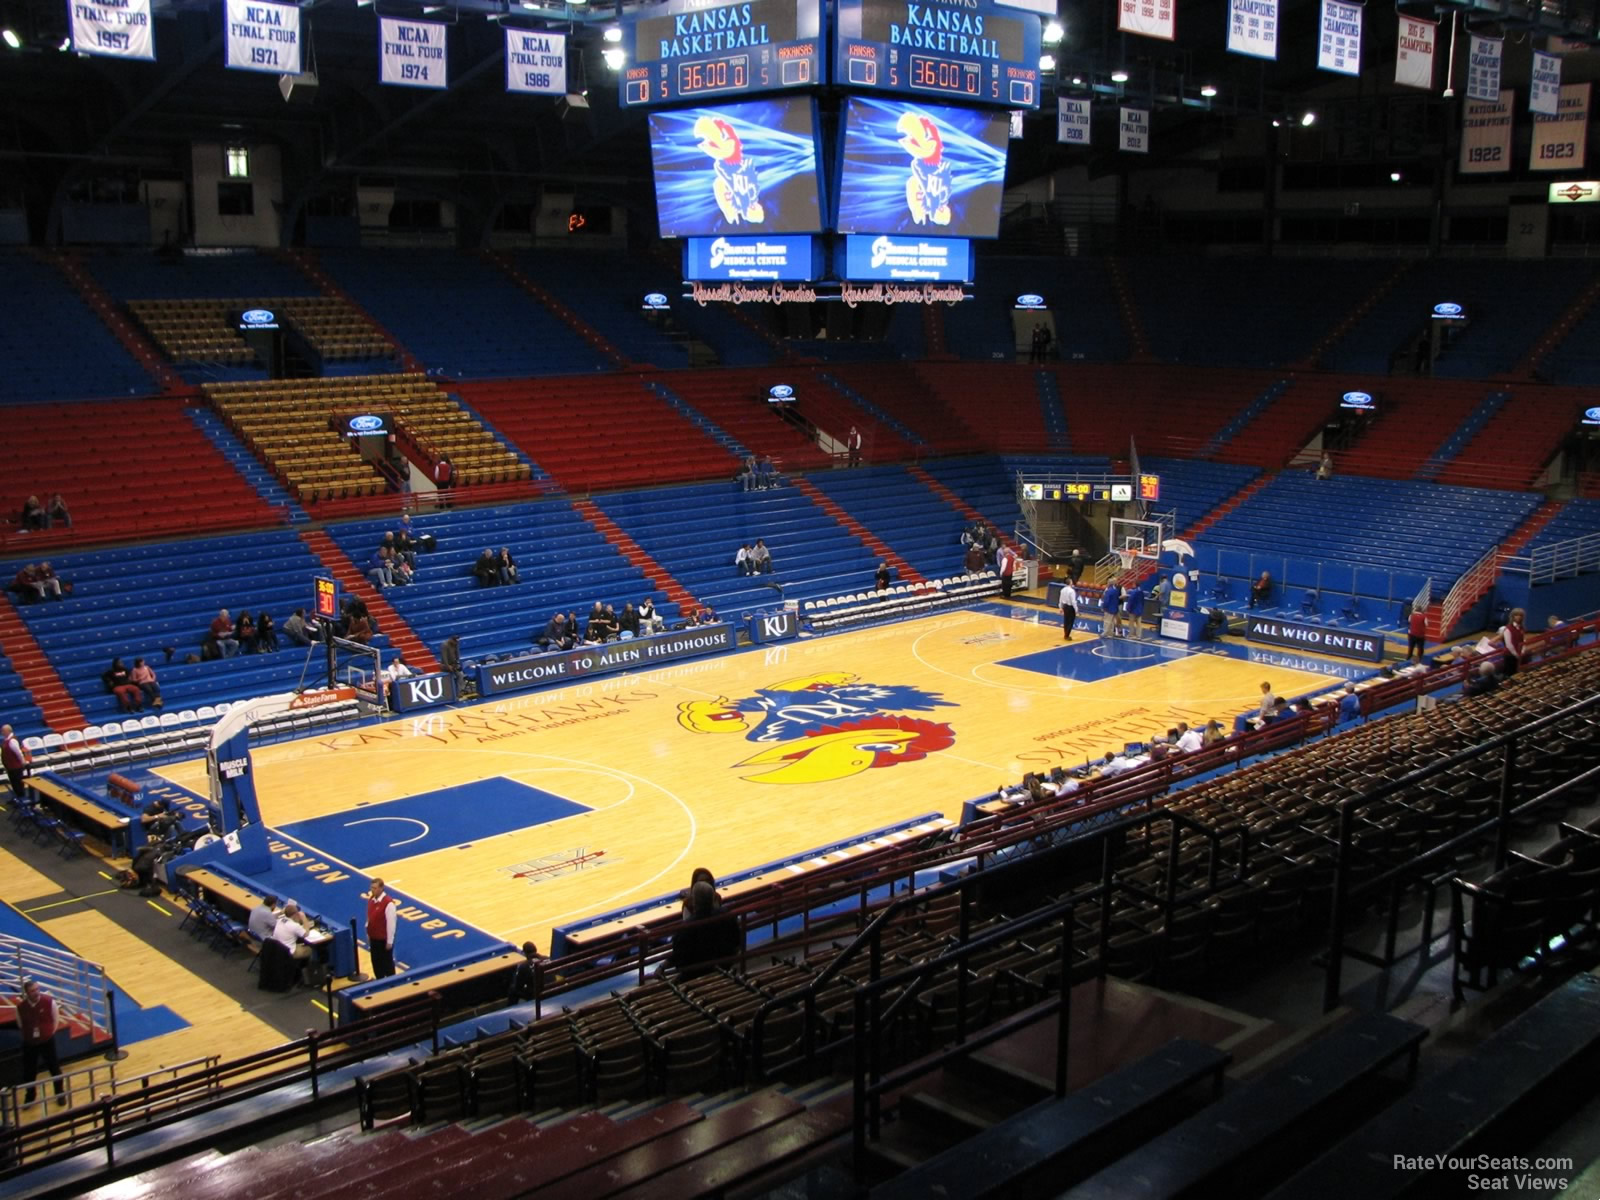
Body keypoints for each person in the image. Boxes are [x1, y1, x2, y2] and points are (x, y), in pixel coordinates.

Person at [668, 881, 741, 979]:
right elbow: (737, 941)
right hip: (725, 966)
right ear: (712, 899)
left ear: (694, 902)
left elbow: (679, 960)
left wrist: (663, 966)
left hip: (694, 975)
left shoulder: (685, 928)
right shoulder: (727, 915)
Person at [16, 980, 65, 1107]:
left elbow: (56, 1020)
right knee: (29, 1072)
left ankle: (60, 1094)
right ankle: (30, 1097)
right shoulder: (21, 1007)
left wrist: (47, 1034)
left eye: (37, 989)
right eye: (33, 990)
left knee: (54, 1068)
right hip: (30, 1043)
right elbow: (20, 1024)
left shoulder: (49, 1002)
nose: (36, 992)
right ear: (26, 993)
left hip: (47, 1041)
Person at [365, 878, 399, 979]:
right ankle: (379, 981)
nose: (372, 890)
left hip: (383, 940)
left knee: (387, 964)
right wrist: (368, 931)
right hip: (373, 938)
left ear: (381, 888)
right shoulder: (371, 899)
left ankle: (392, 983)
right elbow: (369, 916)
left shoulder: (388, 903)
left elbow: (391, 924)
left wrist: (389, 941)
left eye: (375, 888)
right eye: (371, 888)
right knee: (376, 962)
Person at [2, 724, 31, 800]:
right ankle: (18, 797)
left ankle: (22, 797)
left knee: (17, 783)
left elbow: (18, 752)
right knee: (14, 783)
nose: (1, 732)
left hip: (15, 767)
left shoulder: (12, 740)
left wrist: (23, 762)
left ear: (7, 731)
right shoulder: (7, 740)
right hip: (10, 767)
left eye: (3, 731)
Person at [1498, 607, 1526, 676]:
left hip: (1518, 654)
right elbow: (1509, 645)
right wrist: (1516, 655)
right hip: (1509, 655)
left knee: (1516, 673)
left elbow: (1524, 640)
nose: (1518, 617)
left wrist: (1522, 651)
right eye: (1516, 615)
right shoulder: (1508, 628)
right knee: (1509, 673)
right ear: (1512, 616)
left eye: (1520, 615)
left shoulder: (1522, 628)